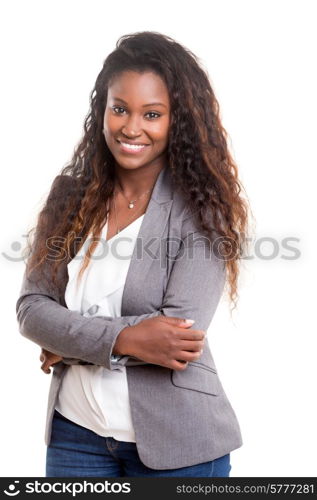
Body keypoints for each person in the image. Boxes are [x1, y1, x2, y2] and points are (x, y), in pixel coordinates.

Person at [16, 31, 250, 477]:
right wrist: (123, 338)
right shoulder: (69, 196)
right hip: (75, 437)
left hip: (178, 447)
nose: (131, 127)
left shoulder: (203, 210)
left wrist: (69, 343)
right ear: (102, 110)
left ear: (176, 121)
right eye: (119, 108)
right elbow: (31, 310)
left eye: (152, 114)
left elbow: (178, 336)